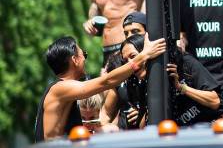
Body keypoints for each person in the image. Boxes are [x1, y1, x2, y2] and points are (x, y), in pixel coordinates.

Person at [34, 34, 165, 141]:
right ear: (75, 60)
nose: (85, 60)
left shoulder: (62, 90)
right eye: (83, 54)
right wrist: (144, 55)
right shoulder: (60, 88)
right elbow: (106, 81)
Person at [166, 47, 223, 126]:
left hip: (212, 122)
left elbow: (215, 101)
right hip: (183, 128)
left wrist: (181, 87)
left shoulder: (186, 62)